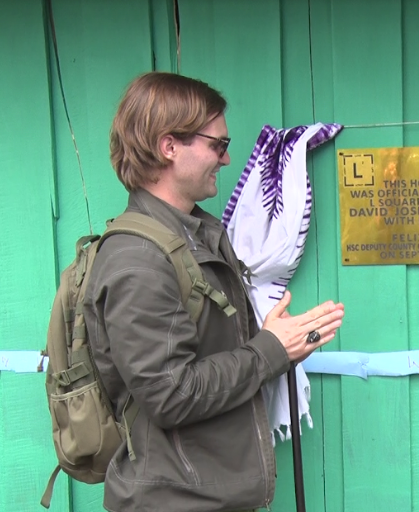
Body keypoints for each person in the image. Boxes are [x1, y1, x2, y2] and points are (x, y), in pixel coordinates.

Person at [83, 72, 344, 512]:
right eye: (218, 145)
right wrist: (271, 350)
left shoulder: (196, 234)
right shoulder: (138, 260)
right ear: (169, 146)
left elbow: (208, 353)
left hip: (203, 497)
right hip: (172, 503)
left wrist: (278, 341)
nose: (226, 159)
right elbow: (171, 394)